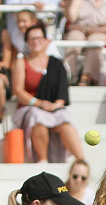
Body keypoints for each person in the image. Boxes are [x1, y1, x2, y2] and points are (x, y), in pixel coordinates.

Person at [12, 23, 86, 163]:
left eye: (39, 38)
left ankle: (81, 161)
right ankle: (43, 159)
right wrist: (39, 103)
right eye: (32, 39)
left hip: (52, 108)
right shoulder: (21, 62)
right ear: (27, 42)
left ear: (46, 40)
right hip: (30, 107)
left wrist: (55, 105)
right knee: (37, 118)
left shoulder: (57, 63)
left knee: (64, 119)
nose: (36, 41)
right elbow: (18, 91)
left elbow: (62, 92)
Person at [64, 0, 106, 86]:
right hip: (79, 28)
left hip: (100, 31)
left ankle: (87, 76)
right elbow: (71, 17)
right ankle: (69, 75)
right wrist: (67, 5)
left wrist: (94, 30)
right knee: (73, 39)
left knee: (95, 41)